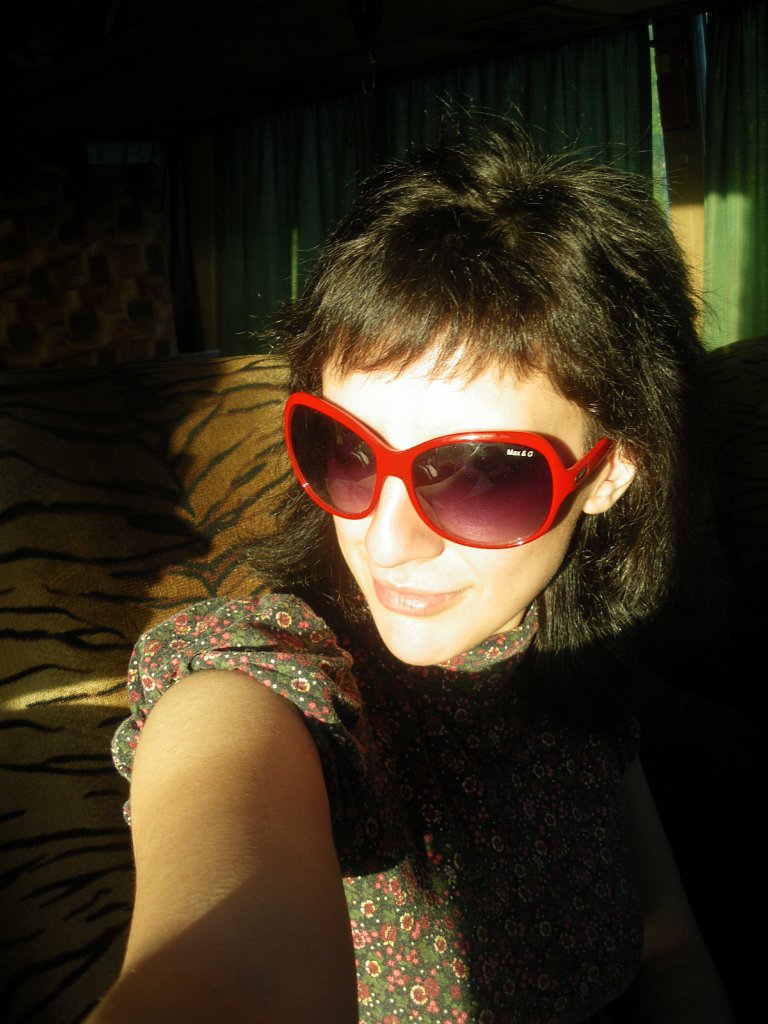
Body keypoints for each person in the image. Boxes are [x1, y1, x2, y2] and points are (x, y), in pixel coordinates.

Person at [88, 124, 734, 1024]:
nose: (385, 542)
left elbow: (669, 951)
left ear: (611, 471)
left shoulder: (575, 660)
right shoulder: (267, 679)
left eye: (481, 474)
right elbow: (223, 972)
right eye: (348, 449)